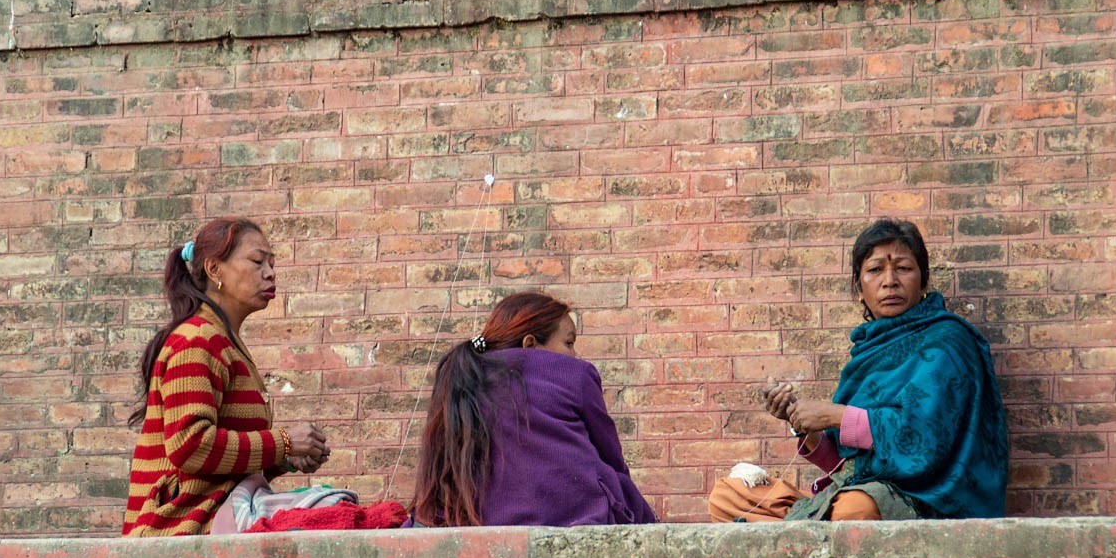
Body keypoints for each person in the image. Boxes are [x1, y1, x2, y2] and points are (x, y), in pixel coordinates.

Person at [708, 219, 1009, 522]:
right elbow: (843, 465)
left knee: (854, 510)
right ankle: (811, 537)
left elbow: (922, 439)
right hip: (851, 494)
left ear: (923, 280)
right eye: (875, 270)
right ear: (859, 287)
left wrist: (833, 415)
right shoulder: (868, 351)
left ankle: (803, 537)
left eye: (903, 268)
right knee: (727, 496)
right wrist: (801, 423)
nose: (889, 280)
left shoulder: (948, 342)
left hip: (921, 500)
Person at [123, 217, 329, 536]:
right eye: (257, 261)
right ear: (214, 269)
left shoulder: (223, 341)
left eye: (272, 264)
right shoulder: (195, 341)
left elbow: (220, 470)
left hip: (213, 524)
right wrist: (284, 442)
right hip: (177, 531)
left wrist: (287, 459)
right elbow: (190, 446)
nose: (270, 273)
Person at [410, 291, 657, 527]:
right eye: (569, 343)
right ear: (530, 345)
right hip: (579, 516)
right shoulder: (574, 373)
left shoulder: (461, 379)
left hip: (481, 520)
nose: (575, 354)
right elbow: (611, 456)